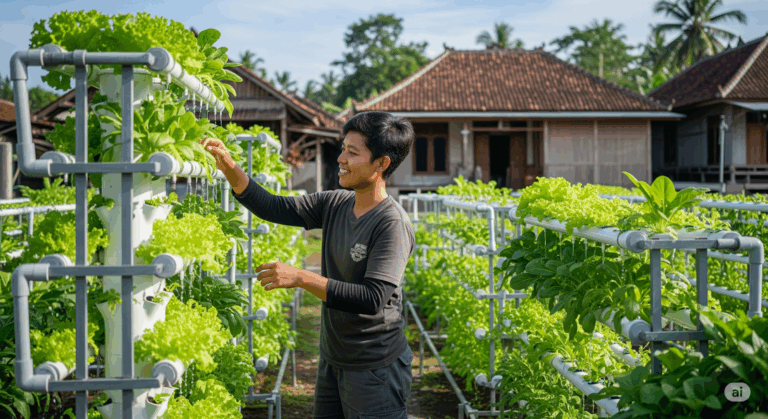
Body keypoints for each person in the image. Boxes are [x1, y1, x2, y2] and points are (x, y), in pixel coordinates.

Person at [201, 111, 416, 419]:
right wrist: (229, 167)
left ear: (381, 164)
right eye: (343, 148)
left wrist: (302, 278)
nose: (340, 158)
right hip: (334, 357)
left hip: (374, 365)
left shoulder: (391, 223)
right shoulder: (335, 203)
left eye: (352, 152)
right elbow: (273, 206)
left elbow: (372, 298)